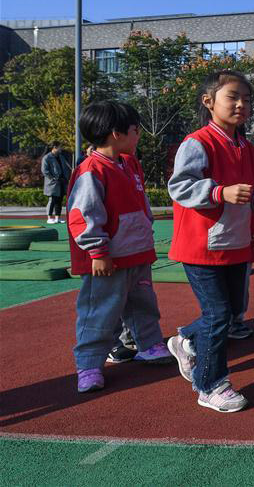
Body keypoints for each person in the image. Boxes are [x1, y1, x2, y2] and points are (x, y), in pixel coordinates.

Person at [166, 70, 254, 413]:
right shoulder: (198, 143)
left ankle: (185, 340)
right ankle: (210, 384)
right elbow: (180, 187)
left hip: (236, 242)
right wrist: (219, 191)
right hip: (201, 245)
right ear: (209, 101)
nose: (241, 104)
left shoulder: (248, 148)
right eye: (233, 97)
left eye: (247, 98)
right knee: (217, 315)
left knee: (228, 315)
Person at [67, 101, 173, 393]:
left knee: (143, 303)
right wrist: (98, 252)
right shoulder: (91, 170)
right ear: (116, 133)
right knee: (100, 311)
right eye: (135, 130)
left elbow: (141, 205)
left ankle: (149, 344)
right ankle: (89, 364)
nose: (139, 135)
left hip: (137, 253)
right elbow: (83, 215)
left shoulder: (130, 163)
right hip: (108, 259)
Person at [42, 142, 70, 224]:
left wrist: (66, 177)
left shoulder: (61, 156)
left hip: (61, 182)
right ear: (54, 147)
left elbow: (65, 168)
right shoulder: (47, 157)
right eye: (60, 147)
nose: (61, 149)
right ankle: (49, 217)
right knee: (52, 200)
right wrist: (53, 178)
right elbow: (45, 171)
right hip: (53, 183)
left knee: (59, 200)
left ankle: (57, 217)